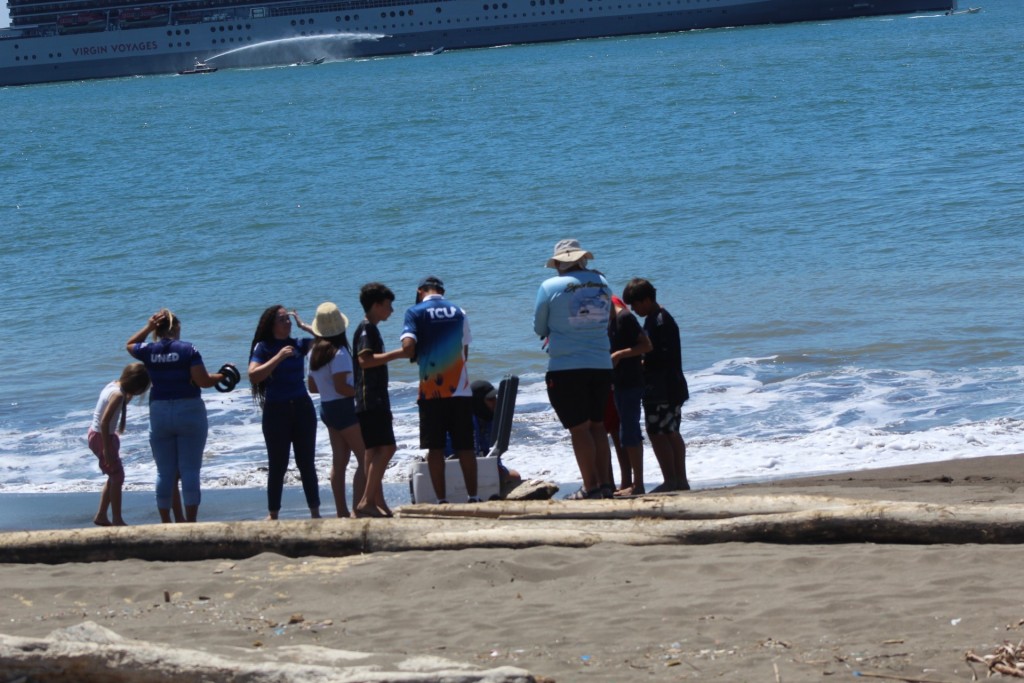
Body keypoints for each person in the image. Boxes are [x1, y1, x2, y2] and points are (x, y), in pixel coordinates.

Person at [127, 309, 234, 523]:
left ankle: (166, 522)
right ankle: (191, 523)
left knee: (164, 472)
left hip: (159, 412)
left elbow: (130, 345)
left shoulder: (149, 350)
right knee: (190, 470)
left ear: (157, 330)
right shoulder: (188, 349)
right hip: (189, 410)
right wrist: (223, 375)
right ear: (176, 328)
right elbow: (203, 381)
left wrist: (147, 327)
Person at [533, 238, 615, 500]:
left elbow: (539, 328)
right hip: (602, 364)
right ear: (582, 259)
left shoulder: (549, 286)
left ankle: (590, 487)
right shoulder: (603, 283)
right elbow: (610, 319)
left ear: (558, 263)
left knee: (579, 429)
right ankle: (605, 485)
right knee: (598, 426)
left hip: (567, 366)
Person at [400, 276, 479, 504]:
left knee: (434, 448)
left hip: (431, 391)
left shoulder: (415, 312)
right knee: (465, 447)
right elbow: (464, 353)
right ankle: (473, 497)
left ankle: (442, 501)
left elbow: (407, 346)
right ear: (442, 291)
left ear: (421, 291)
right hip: (460, 391)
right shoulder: (459, 311)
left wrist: (419, 353)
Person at [248, 305, 321, 520]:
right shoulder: (264, 347)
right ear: (272, 324)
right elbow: (253, 375)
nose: (287, 323)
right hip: (276, 410)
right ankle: (273, 514)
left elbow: (327, 338)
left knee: (306, 462)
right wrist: (278, 357)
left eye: (288, 319)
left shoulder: (299, 344)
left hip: (302, 407)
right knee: (278, 464)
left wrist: (304, 325)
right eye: (282, 319)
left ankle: (315, 513)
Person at [622, 277, 691, 492]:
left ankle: (672, 480)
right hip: (672, 385)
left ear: (647, 299)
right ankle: (680, 480)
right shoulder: (657, 318)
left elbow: (660, 355)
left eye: (635, 304)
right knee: (670, 431)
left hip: (663, 387)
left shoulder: (659, 320)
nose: (633, 309)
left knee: (659, 433)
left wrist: (640, 362)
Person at [306, 302, 365, 519]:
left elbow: (312, 387)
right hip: (344, 409)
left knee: (339, 461)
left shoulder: (313, 353)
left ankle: (341, 511)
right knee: (365, 459)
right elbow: (342, 387)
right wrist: (360, 392)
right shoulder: (339, 353)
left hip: (327, 409)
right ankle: (358, 508)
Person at [352, 283, 406, 517]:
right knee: (387, 448)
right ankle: (366, 500)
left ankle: (377, 500)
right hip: (370, 398)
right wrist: (399, 353)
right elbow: (365, 361)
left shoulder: (370, 328)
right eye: (388, 305)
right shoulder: (366, 330)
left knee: (373, 451)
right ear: (376, 305)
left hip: (371, 399)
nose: (391, 310)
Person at [86, 363, 151, 526]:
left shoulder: (114, 385)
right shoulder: (118, 395)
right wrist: (107, 449)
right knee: (118, 477)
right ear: (137, 387)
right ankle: (117, 519)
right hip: (103, 436)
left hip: (98, 435)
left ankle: (102, 515)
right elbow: (105, 421)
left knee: (114, 476)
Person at [608, 294, 652, 496]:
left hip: (631, 382)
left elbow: (646, 345)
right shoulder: (609, 321)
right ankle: (631, 482)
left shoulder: (624, 317)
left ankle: (638, 484)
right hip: (619, 382)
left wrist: (620, 354)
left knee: (630, 431)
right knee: (624, 431)